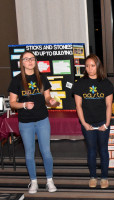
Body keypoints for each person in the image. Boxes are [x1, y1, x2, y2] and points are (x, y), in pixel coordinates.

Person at [8, 51, 59, 194]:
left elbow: (47, 98)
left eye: (32, 59)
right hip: (25, 122)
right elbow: (12, 103)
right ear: (22, 62)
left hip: (42, 119)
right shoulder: (17, 80)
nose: (30, 61)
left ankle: (49, 181)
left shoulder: (42, 78)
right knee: (29, 153)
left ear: (35, 61)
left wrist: (51, 101)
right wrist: (23, 105)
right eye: (26, 59)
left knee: (46, 152)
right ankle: (34, 182)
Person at [73, 54, 113, 189]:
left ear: (98, 66)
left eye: (92, 65)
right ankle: (92, 176)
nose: (90, 69)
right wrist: (84, 123)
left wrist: (106, 124)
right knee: (91, 150)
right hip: (87, 123)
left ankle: (104, 177)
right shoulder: (80, 84)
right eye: (87, 66)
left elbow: (109, 105)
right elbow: (78, 106)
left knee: (103, 150)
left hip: (103, 122)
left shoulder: (106, 83)